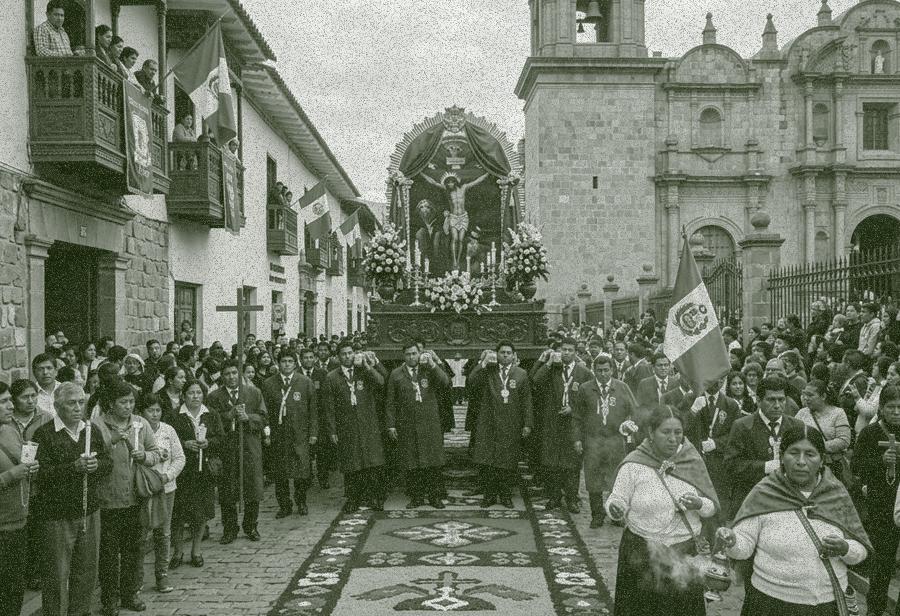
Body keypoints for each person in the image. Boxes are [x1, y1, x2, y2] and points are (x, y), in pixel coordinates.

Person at [719, 425, 870, 616]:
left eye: (810, 454)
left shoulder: (837, 495)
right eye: (794, 453)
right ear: (781, 457)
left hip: (823, 605)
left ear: (822, 460)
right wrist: (732, 541)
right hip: (767, 603)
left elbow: (861, 549)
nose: (801, 461)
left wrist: (845, 548)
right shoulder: (765, 493)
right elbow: (744, 545)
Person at [606, 405, 718, 616]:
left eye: (678, 433)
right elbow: (617, 498)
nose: (673, 439)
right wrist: (616, 508)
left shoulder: (691, 461)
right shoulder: (635, 465)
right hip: (641, 552)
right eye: (666, 432)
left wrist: (699, 504)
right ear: (650, 432)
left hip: (684, 554)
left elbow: (711, 507)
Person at [33, 383, 111, 616]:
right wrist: (73, 468)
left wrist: (98, 466)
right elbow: (40, 474)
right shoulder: (44, 434)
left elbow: (108, 462)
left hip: (89, 512)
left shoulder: (91, 430)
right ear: (57, 406)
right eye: (71, 403)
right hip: (57, 517)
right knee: (57, 575)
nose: (78, 408)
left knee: (87, 572)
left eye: (81, 402)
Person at [94, 379, 160, 615]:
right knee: (109, 553)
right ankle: (109, 599)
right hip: (108, 500)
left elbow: (156, 453)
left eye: (131, 401)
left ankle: (130, 594)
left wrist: (145, 457)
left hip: (136, 498)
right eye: (123, 402)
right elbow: (93, 454)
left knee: (134, 550)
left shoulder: (141, 424)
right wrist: (111, 440)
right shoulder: (98, 424)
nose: (128, 406)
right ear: (111, 404)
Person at [724, 375, 804, 519]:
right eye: (771, 400)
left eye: (781, 399)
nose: (777, 405)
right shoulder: (742, 426)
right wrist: (765, 467)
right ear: (759, 400)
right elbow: (731, 466)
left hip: (787, 500)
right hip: (751, 501)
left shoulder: (796, 426)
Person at [467, 340, 533, 509]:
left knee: (508, 461)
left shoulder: (521, 374)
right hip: (489, 422)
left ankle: (505, 495)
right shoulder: (488, 371)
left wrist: (527, 423)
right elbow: (472, 382)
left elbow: (526, 401)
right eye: (502, 352)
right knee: (489, 460)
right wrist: (482, 363)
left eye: (508, 353)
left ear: (513, 356)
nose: (505, 355)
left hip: (511, 423)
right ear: (496, 354)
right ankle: (489, 496)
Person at [324, 339, 387, 512]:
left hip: (368, 424)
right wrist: (332, 430)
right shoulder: (331, 377)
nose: (347, 357)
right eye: (343, 354)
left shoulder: (363, 372)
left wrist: (367, 366)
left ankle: (375, 497)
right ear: (338, 357)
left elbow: (381, 382)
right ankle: (353, 499)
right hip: (347, 426)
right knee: (351, 464)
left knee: (372, 463)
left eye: (350, 353)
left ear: (354, 354)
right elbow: (329, 407)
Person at [207, 360, 267, 543]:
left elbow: (264, 418)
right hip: (227, 448)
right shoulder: (214, 396)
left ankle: (250, 525)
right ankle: (230, 528)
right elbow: (210, 420)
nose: (231, 377)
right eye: (227, 374)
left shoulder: (253, 393)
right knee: (227, 489)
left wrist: (248, 418)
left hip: (249, 446)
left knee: (252, 486)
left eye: (234, 373)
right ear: (222, 376)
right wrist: (228, 416)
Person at [853, 385, 900, 616]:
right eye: (891, 407)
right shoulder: (870, 434)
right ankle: (875, 608)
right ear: (881, 408)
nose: (897, 412)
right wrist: (880, 460)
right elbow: (856, 467)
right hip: (881, 504)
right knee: (882, 561)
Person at [574, 355, 636, 527]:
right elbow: (577, 417)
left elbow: (634, 411)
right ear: (594, 371)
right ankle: (597, 515)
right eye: (599, 371)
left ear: (612, 370)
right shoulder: (586, 389)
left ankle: (616, 514)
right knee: (593, 479)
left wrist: (628, 424)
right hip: (592, 441)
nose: (602, 374)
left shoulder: (622, 388)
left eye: (606, 370)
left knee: (616, 480)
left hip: (615, 441)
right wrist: (577, 439)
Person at [385, 342, 449, 509]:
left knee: (432, 462)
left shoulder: (429, 370)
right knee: (412, 463)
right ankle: (417, 497)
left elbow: (445, 382)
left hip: (429, 423)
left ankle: (434, 497)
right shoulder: (396, 374)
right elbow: (390, 401)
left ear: (420, 354)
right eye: (408, 354)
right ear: (403, 356)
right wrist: (391, 425)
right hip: (407, 424)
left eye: (414, 353)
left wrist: (434, 365)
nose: (412, 357)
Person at [533, 339, 593, 513]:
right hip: (552, 421)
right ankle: (554, 497)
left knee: (572, 462)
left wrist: (573, 408)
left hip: (574, 423)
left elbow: (590, 399)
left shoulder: (584, 372)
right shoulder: (552, 369)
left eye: (570, 350)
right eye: (563, 350)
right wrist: (548, 363)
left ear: (576, 352)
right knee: (553, 462)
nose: (566, 353)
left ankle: (572, 498)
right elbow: (535, 381)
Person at [169, 379, 220, 569]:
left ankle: (196, 550)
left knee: (200, 514)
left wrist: (209, 443)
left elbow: (220, 439)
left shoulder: (210, 415)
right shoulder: (175, 416)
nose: (195, 396)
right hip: (182, 472)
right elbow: (167, 439)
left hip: (203, 471)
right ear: (183, 396)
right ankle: (178, 551)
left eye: (199, 393)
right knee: (178, 514)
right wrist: (184, 444)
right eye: (191, 393)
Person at [261, 350, 317, 518]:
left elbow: (313, 410)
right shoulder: (269, 384)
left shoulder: (305, 382)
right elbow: (265, 412)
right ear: (278, 364)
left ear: (295, 363)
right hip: (279, 435)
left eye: (290, 361)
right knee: (280, 472)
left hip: (300, 434)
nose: (286, 364)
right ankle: (284, 505)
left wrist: (313, 433)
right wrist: (267, 432)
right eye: (283, 361)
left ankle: (301, 501)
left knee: (301, 471)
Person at [0, 381, 40, 616]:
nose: (10, 405)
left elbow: (22, 458)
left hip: (18, 520)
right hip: (2, 524)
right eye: (4, 402)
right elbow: (12, 472)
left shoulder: (10, 429)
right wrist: (11, 476)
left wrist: (29, 467)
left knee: (13, 588)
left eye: (9, 400)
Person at [138, 393, 184, 593]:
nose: (154, 414)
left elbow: (180, 458)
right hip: (143, 489)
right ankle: (136, 579)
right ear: (142, 412)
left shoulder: (168, 430)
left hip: (166, 489)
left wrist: (168, 476)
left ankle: (162, 576)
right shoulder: (137, 430)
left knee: (163, 533)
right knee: (140, 534)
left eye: (158, 410)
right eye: (150, 410)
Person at [681, 378, 739, 520]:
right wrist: (693, 411)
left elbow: (736, 435)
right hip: (694, 459)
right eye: (712, 378)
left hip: (719, 463)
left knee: (718, 502)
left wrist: (717, 443)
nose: (716, 382)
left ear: (724, 380)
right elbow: (680, 427)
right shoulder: (690, 399)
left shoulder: (730, 404)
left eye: (720, 379)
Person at [795, 379, 851, 480]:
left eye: (810, 395)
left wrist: (815, 447)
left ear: (823, 396)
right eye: (805, 395)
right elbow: (793, 436)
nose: (806, 398)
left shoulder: (838, 413)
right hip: (807, 466)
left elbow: (844, 440)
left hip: (832, 467)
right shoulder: (801, 413)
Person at [299, 348, 333, 488]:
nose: (308, 360)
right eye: (305, 357)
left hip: (319, 417)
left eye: (311, 357)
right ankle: (307, 477)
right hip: (302, 418)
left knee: (322, 450)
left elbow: (326, 396)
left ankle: (323, 477)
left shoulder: (322, 373)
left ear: (315, 359)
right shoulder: (297, 375)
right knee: (306, 451)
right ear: (301, 360)